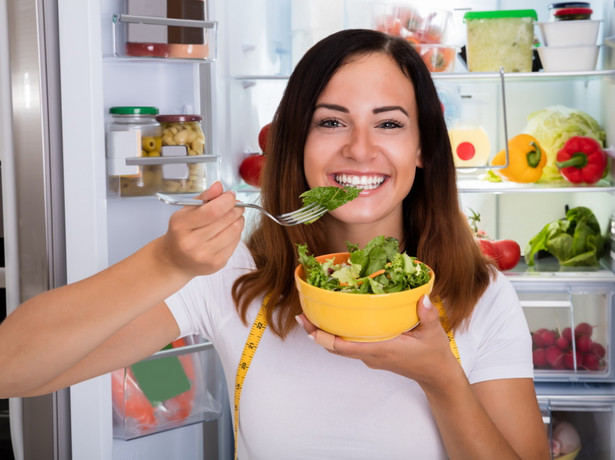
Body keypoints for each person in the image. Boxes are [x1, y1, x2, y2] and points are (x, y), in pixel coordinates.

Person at [0, 29, 550, 459]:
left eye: (388, 125)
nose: (360, 150)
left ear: (424, 149)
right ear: (296, 143)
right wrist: (165, 263)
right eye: (331, 122)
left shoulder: (481, 294)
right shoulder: (236, 275)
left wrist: (442, 380)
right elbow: (12, 368)